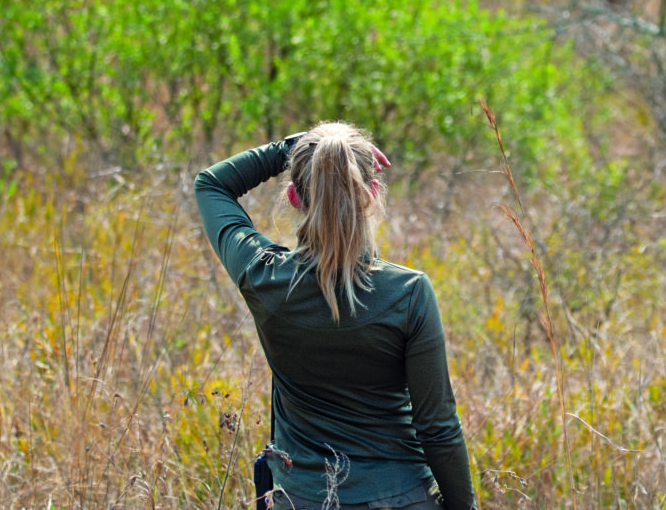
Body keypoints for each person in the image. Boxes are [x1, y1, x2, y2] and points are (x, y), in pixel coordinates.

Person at [194, 122, 476, 510]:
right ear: (372, 195)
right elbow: (438, 429)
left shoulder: (264, 278)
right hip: (403, 499)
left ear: (294, 197)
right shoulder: (409, 293)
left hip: (301, 500)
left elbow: (211, 184)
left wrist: (291, 148)